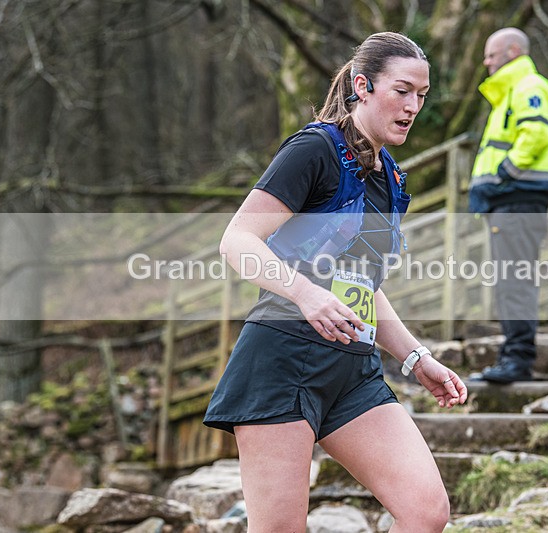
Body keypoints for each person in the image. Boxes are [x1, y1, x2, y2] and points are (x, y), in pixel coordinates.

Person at [204, 32, 468, 532]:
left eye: (423, 96)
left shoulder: (387, 175)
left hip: (353, 372)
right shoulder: (314, 149)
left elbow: (363, 285)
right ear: (363, 86)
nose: (414, 106)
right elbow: (236, 240)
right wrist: (304, 294)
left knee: (426, 512)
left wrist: (415, 357)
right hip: (281, 362)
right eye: (403, 91)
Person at [467, 27, 548, 383]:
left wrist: (503, 175)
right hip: (510, 201)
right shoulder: (509, 93)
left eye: (492, 54)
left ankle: (518, 360)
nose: (486, 62)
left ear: (513, 51)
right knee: (511, 278)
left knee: (514, 278)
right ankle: (513, 355)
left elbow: (534, 135)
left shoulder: (529, 87)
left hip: (517, 199)